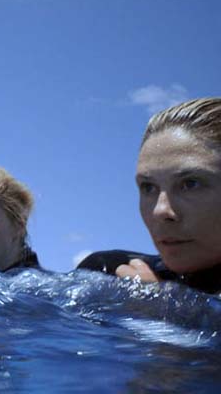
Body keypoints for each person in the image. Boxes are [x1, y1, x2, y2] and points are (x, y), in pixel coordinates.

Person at [77, 98, 221, 294]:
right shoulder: (107, 271)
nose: (160, 210)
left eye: (190, 184)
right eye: (148, 187)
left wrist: (163, 308)